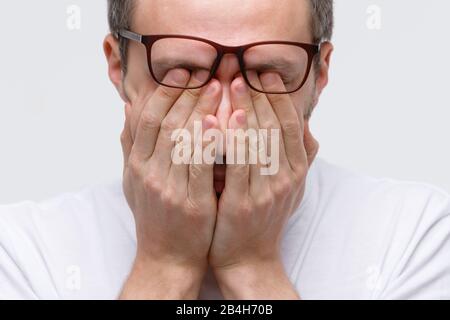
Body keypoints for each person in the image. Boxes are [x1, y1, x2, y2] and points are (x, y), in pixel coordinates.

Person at [0, 0, 449, 300]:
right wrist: (165, 264)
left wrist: (252, 265)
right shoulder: (22, 252)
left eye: (268, 73)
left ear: (320, 73)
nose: (225, 121)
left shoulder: (416, 236)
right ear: (118, 66)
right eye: (182, 71)